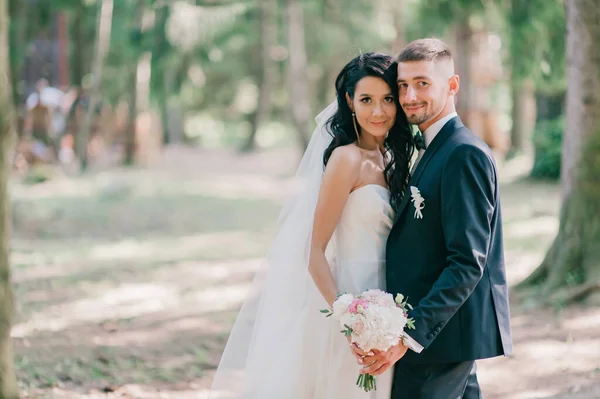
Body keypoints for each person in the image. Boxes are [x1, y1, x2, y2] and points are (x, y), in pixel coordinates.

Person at [209, 52, 414, 398]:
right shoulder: (346, 159)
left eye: (387, 99)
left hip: (391, 310)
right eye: (366, 100)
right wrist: (352, 321)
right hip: (351, 306)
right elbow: (314, 251)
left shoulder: (393, 159)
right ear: (349, 102)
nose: (378, 112)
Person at [356, 38, 513, 399]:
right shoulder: (432, 148)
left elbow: (467, 262)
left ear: (452, 85)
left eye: (422, 84)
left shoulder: (463, 154)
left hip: (438, 339)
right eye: (403, 86)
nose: (410, 96)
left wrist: (408, 337)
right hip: (439, 338)